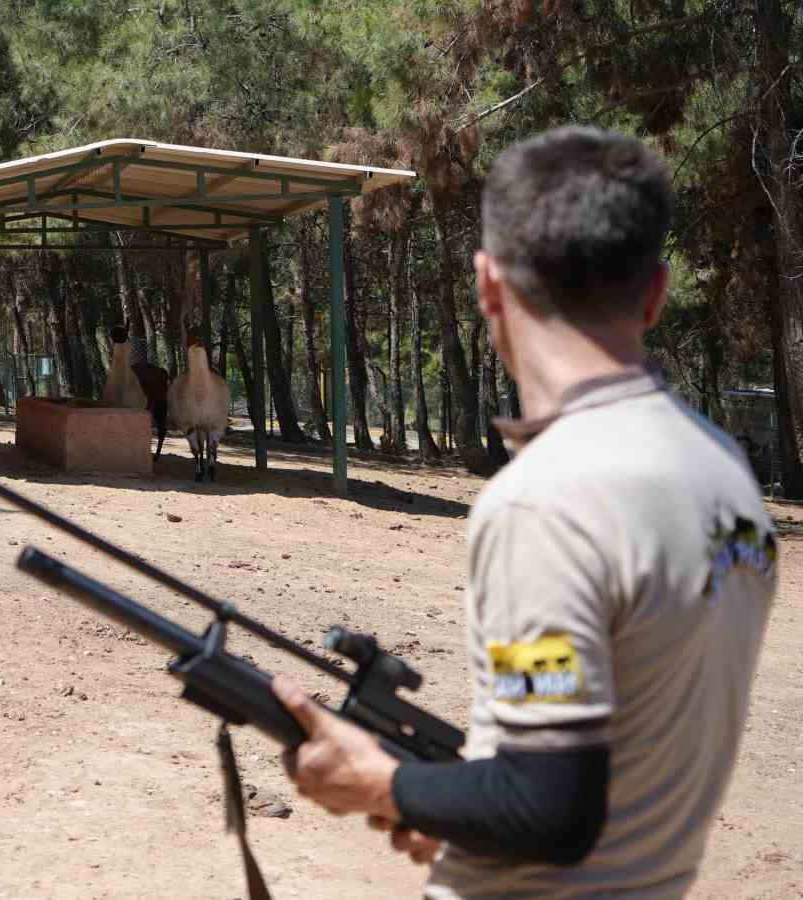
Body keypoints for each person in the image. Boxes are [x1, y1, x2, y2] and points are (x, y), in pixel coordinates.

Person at [270, 126, 778, 897]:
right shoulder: (723, 471)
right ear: (656, 292)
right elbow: (598, 762)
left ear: (487, 284)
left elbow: (548, 808)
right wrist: (456, 804)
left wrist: (378, 781)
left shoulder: (549, 497)